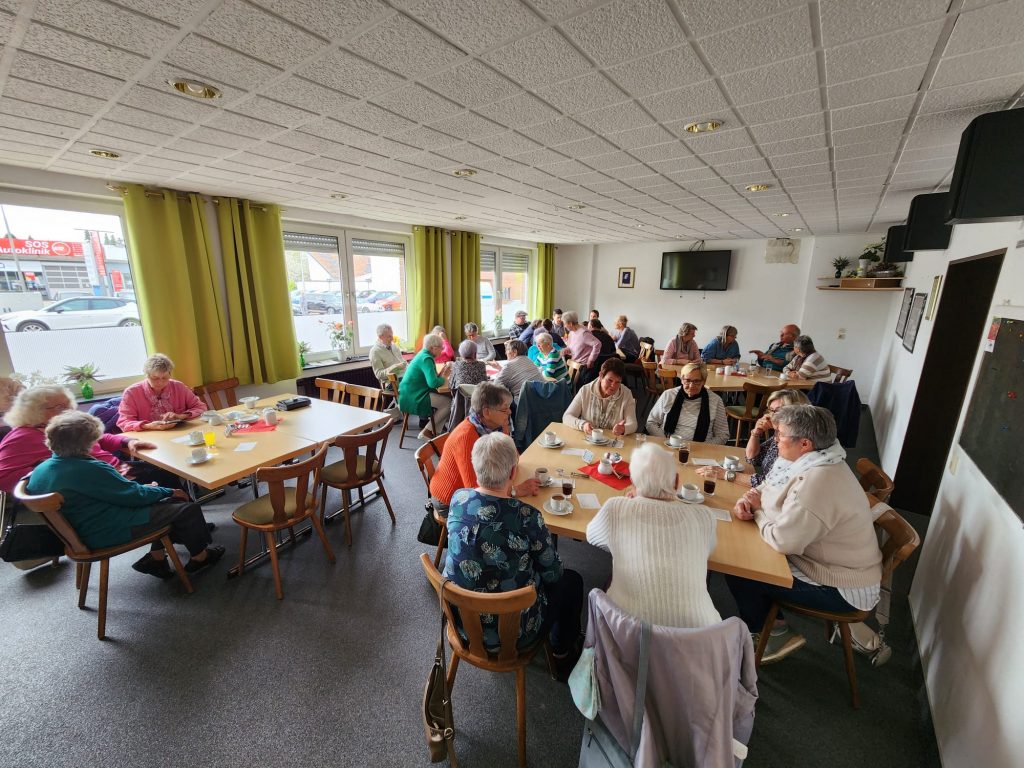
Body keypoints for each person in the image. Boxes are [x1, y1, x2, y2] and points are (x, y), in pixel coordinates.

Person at [726, 405, 882, 663]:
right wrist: (749, 500)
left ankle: (773, 634)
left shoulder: (818, 480)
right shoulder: (809, 460)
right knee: (744, 556)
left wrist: (757, 514)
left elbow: (783, 541)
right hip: (820, 560)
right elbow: (764, 489)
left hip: (841, 585)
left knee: (741, 569)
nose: (775, 440)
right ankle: (771, 623)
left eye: (780, 435)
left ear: (805, 444)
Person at [444, 432, 583, 677]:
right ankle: (562, 654)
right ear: (512, 473)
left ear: (476, 467)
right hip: (515, 634)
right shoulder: (528, 517)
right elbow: (553, 574)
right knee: (571, 581)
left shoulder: (458, 499)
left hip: (463, 623)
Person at [25, 411, 224, 578]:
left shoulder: (43, 469)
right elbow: (133, 496)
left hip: (77, 530)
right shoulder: (89, 468)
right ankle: (200, 557)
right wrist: (167, 490)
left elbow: (119, 492)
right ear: (86, 443)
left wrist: (153, 490)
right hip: (103, 530)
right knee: (186, 506)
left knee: (165, 500)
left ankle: (156, 557)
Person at [587, 443, 721, 628]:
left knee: (612, 579)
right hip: (696, 645)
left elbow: (592, 536)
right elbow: (708, 549)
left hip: (627, 638)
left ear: (632, 483)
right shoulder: (705, 516)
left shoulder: (615, 508)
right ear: (676, 482)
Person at [0, 385, 171, 494]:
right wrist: (56, 470)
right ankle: (172, 527)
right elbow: (3, 478)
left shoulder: (63, 426)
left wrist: (127, 442)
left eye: (68, 404)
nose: (70, 410)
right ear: (34, 410)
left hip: (115, 471)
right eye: (61, 406)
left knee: (165, 471)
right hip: (101, 485)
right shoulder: (22, 437)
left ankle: (169, 534)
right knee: (169, 486)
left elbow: (98, 438)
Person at [429, 382, 539, 512]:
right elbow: (476, 492)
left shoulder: (496, 426)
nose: (509, 412)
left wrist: (509, 483)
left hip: (489, 489)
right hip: (451, 500)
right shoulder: (466, 438)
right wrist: (515, 490)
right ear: (487, 412)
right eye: (504, 409)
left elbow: (514, 457)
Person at [117, 353, 206, 432]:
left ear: (170, 374)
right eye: (155, 378)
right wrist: (149, 426)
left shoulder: (178, 387)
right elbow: (124, 423)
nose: (160, 382)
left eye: (165, 378)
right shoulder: (131, 393)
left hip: (180, 433)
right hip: (150, 439)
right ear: (146, 375)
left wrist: (180, 416)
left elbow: (200, 407)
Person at [646, 362, 730, 444]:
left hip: (700, 450)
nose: (691, 385)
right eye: (687, 380)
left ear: (703, 381)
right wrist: (665, 441)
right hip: (667, 445)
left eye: (696, 381)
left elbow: (722, 434)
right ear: (682, 380)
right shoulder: (668, 395)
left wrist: (703, 447)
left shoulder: (716, 400)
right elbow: (651, 423)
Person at [745, 389, 810, 486]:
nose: (771, 416)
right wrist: (756, 432)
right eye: (771, 410)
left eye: (778, 411)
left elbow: (773, 483)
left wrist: (729, 475)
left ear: (796, 413)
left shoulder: (797, 441)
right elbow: (752, 458)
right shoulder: (779, 433)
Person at [398, 333, 452, 441]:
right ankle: (427, 431)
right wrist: (444, 377)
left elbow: (431, 379)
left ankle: (434, 431)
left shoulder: (423, 354)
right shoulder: (427, 358)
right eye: (441, 349)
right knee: (449, 403)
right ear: (433, 348)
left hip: (408, 393)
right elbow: (433, 383)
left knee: (446, 399)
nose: (442, 351)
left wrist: (441, 373)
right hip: (414, 396)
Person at [563, 358, 637, 436]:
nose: (613, 386)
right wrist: (583, 424)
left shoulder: (626, 394)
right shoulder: (585, 390)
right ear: (601, 376)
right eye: (610, 380)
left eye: (617, 382)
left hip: (612, 442)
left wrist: (624, 428)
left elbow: (633, 424)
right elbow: (567, 417)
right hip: (588, 440)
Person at [369, 323, 407, 416]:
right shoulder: (375, 351)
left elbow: (403, 363)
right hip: (390, 382)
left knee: (421, 379)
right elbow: (379, 374)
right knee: (414, 384)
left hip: (404, 377)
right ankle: (406, 410)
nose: (392, 338)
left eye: (392, 335)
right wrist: (393, 368)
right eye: (389, 336)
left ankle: (422, 416)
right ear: (381, 337)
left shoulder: (394, 346)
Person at [562, 311, 601, 385]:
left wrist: (591, 359)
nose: (564, 326)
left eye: (565, 323)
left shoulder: (583, 333)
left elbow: (597, 344)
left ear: (570, 323)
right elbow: (571, 346)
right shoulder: (571, 332)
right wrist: (567, 350)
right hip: (575, 363)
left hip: (584, 366)